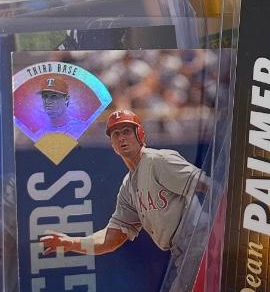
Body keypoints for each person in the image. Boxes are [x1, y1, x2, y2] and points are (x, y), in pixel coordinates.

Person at [38, 109, 205, 262]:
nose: (121, 138)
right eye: (116, 134)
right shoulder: (128, 187)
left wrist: (218, 231)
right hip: (182, 253)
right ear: (112, 143)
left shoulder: (158, 161)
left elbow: (208, 185)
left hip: (201, 243)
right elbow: (110, 240)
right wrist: (71, 243)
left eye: (127, 131)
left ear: (140, 135)